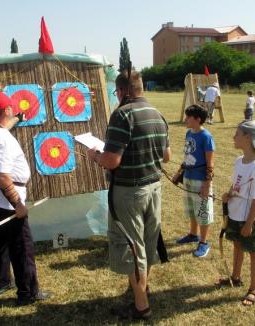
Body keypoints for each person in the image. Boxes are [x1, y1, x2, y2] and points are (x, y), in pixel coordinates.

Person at [88, 70, 171, 320]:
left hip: (129, 192)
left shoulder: (122, 114)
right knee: (146, 242)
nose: (117, 96)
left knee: (133, 249)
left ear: (123, 91)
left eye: (117, 92)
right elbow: (166, 156)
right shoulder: (158, 114)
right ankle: (140, 289)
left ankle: (141, 306)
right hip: (153, 188)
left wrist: (95, 156)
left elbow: (112, 160)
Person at [0, 91, 50, 306]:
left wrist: (17, 119)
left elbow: (3, 129)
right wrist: (17, 204)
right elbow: (2, 177)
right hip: (5, 199)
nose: (12, 109)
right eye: (11, 108)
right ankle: (28, 292)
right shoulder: (0, 139)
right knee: (22, 248)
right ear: (6, 110)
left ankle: (1, 282)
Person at [218, 120, 255, 306]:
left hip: (249, 219)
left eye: (237, 134)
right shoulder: (239, 161)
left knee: (254, 250)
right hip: (235, 214)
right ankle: (236, 277)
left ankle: (254, 289)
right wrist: (228, 194)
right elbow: (237, 185)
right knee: (237, 244)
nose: (233, 137)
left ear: (247, 138)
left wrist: (249, 223)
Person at [174, 105, 215, 258]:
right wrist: (179, 173)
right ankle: (193, 234)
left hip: (200, 180)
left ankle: (204, 242)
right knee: (191, 209)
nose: (185, 120)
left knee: (202, 211)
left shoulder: (206, 137)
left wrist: (207, 184)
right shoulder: (188, 133)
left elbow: (210, 163)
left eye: (188, 117)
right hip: (188, 177)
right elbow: (187, 157)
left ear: (197, 119)